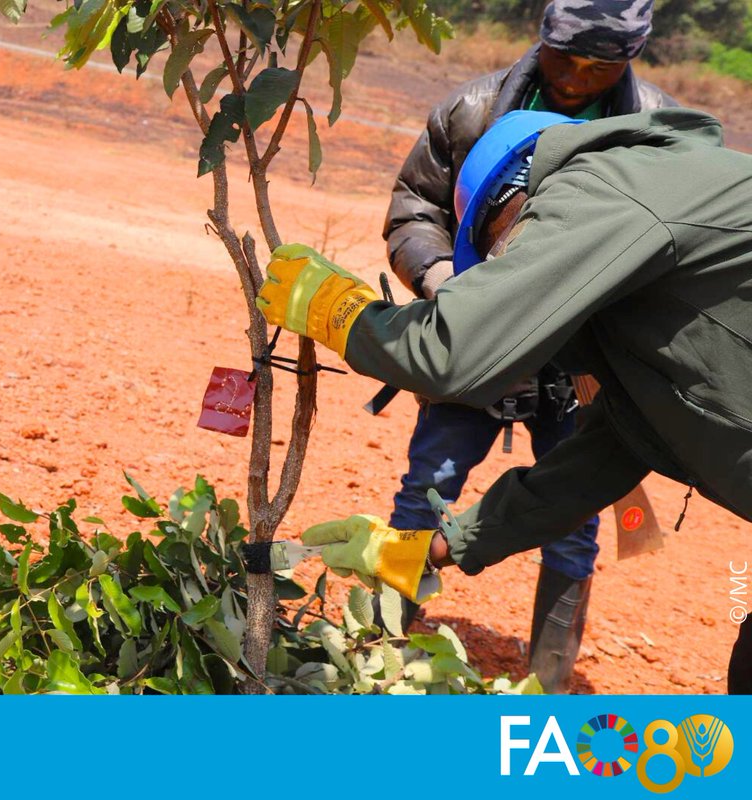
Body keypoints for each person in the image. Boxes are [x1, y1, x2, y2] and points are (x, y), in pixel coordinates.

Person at [257, 106, 752, 693]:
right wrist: (432, 547)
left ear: (517, 196)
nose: (512, 271)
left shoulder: (602, 185)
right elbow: (600, 459)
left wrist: (345, 317)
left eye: (502, 253)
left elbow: (455, 353)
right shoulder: (635, 285)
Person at [378, 0, 675, 691]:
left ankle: (548, 677)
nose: (574, 77)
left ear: (631, 58)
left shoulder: (659, 130)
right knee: (426, 492)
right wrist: (441, 278)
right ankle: (381, 637)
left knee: (571, 516)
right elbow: (413, 206)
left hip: (586, 370)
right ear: (540, 37)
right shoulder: (473, 110)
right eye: (562, 56)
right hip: (474, 342)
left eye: (599, 66)